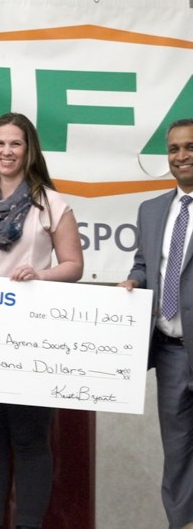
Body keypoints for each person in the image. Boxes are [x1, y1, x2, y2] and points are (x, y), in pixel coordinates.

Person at [0, 112, 83, 528]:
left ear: (30, 151)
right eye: (0, 143)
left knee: (29, 439)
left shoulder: (51, 204)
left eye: (16, 144)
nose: (6, 151)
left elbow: (74, 265)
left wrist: (41, 274)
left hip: (33, 336)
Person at [118, 118, 193, 529]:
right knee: (178, 452)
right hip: (169, 351)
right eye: (174, 149)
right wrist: (135, 281)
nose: (181, 156)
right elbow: (146, 264)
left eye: (190, 147)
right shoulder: (152, 210)